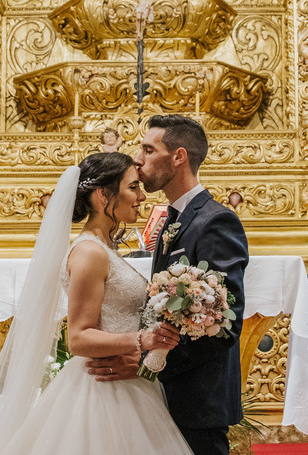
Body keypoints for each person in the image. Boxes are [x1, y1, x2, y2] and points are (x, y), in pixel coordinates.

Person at [0, 152, 191, 455]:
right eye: (133, 187)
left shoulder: (105, 247)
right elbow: (78, 337)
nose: (141, 196)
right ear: (103, 195)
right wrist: (142, 339)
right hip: (103, 392)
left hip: (127, 380)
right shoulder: (90, 253)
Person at [91, 114, 249, 455]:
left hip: (198, 396)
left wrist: (150, 363)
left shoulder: (216, 221)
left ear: (178, 157)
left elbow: (225, 322)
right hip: (168, 391)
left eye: (148, 149)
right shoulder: (171, 221)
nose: (138, 158)